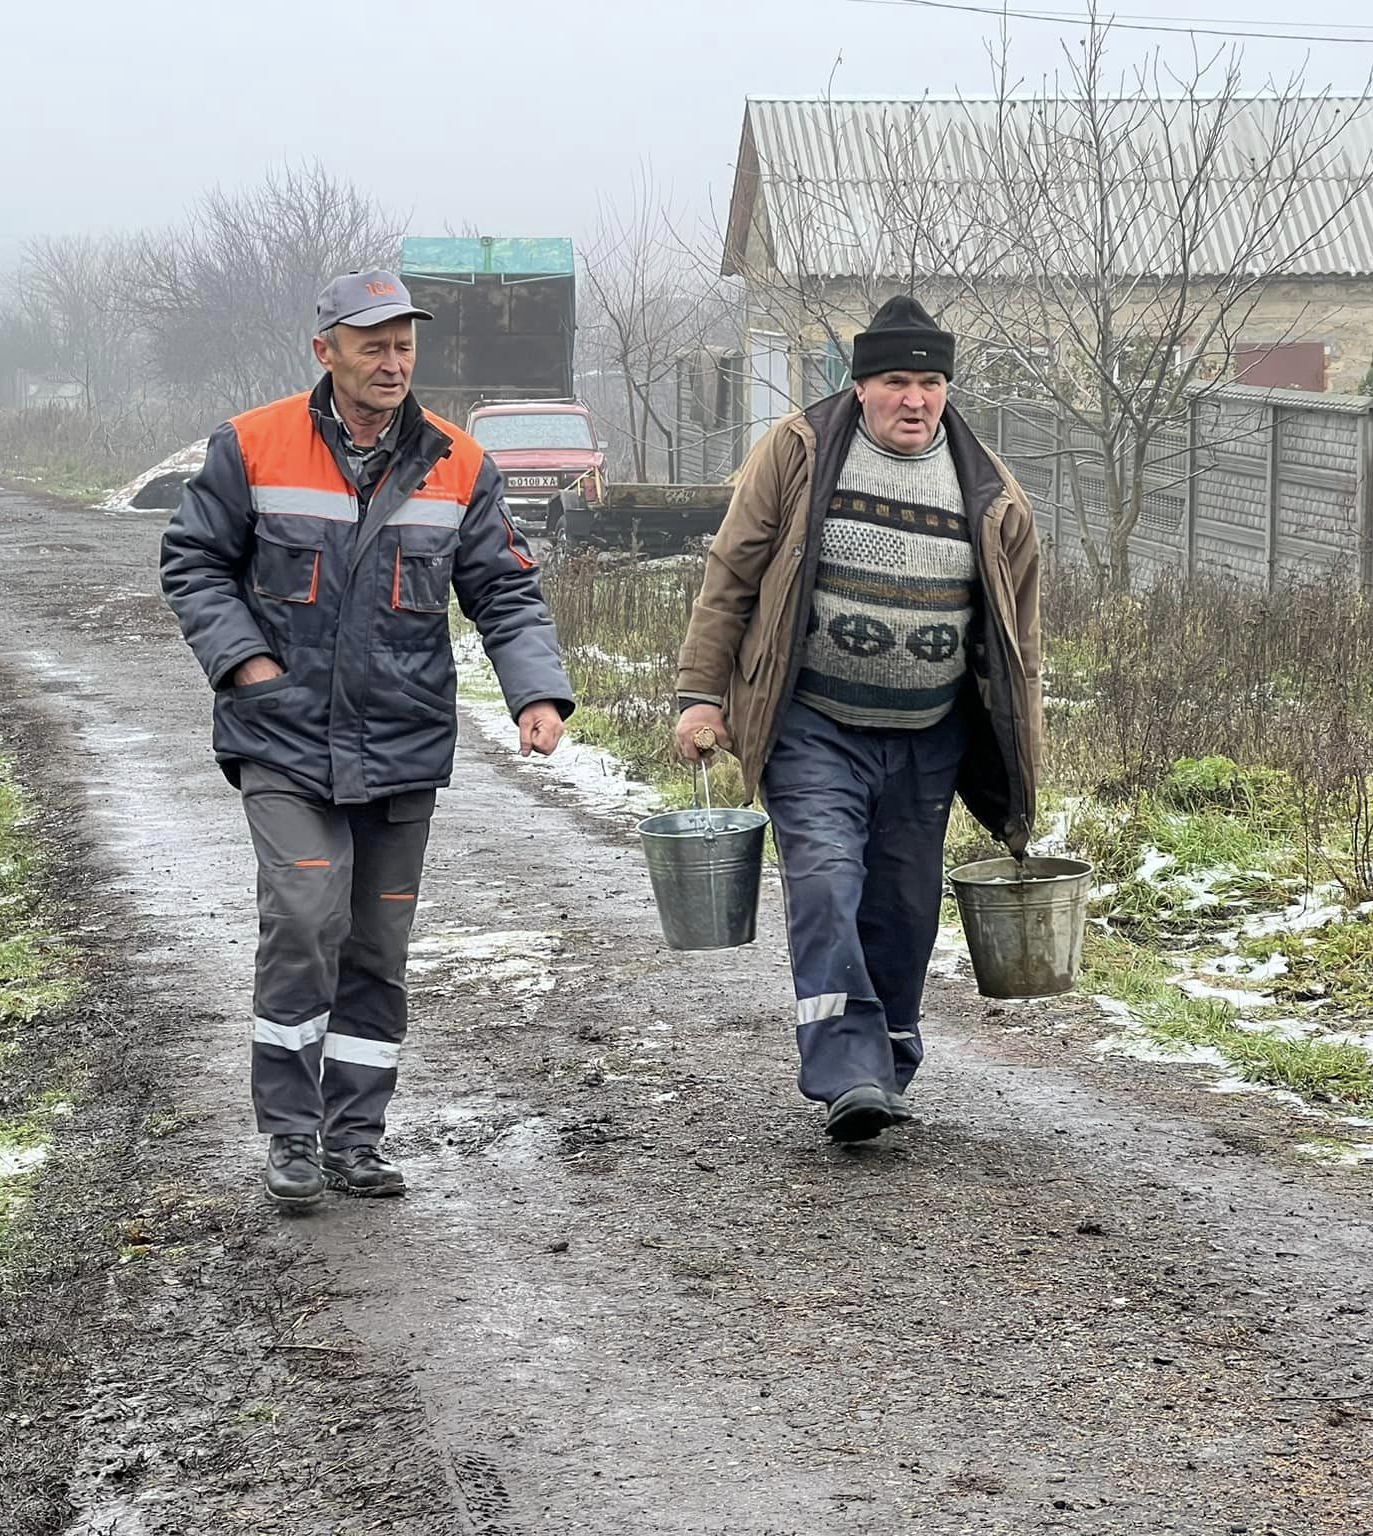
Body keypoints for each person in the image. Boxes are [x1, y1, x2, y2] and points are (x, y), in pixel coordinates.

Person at [161, 270, 575, 1209]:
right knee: (307, 922)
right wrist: (247, 667)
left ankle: (355, 1136)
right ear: (328, 351)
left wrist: (537, 694)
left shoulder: (457, 462)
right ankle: (290, 1134)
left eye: (405, 346)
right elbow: (193, 563)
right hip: (284, 740)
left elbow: (505, 591)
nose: (393, 363)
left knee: (379, 947)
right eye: (373, 344)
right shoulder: (252, 446)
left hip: (401, 744)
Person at [672, 296, 1043, 1143]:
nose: (914, 400)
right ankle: (846, 1070)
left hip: (930, 734)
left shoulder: (991, 494)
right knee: (828, 883)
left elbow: (1021, 647)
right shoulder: (800, 452)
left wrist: (1021, 768)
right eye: (896, 382)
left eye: (931, 382)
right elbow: (731, 574)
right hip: (813, 723)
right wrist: (701, 693)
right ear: (861, 384)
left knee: (903, 907)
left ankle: (890, 1060)